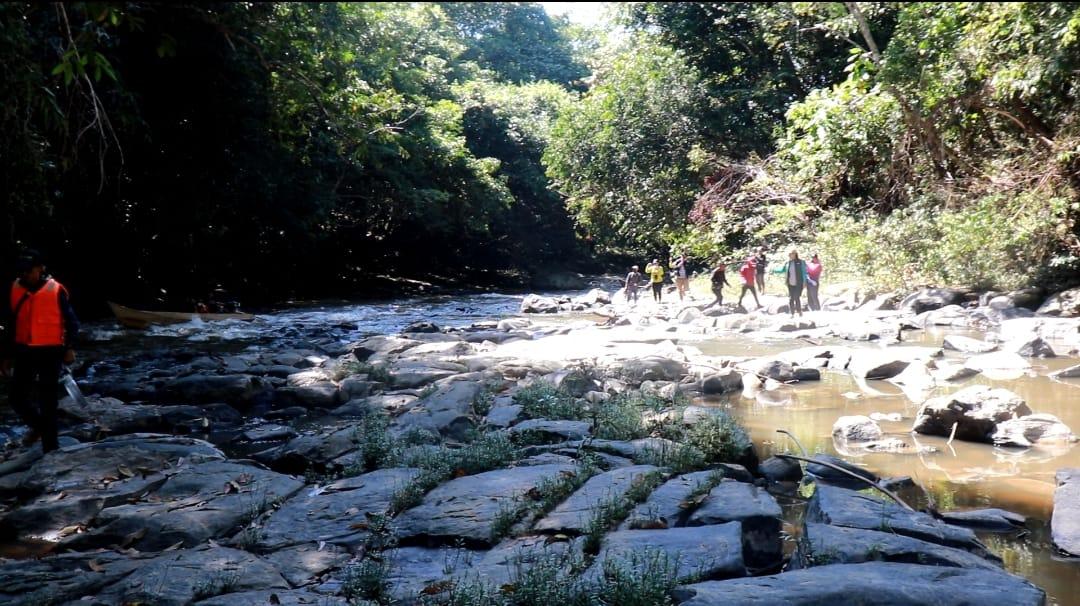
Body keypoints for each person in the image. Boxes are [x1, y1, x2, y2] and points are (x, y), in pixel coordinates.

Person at [1, 250, 79, 452]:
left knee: (48, 402)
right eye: (22, 271)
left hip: (50, 352)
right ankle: (39, 427)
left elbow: (72, 323)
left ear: (40, 268)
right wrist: (6, 356)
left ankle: (50, 450)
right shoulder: (15, 289)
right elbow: (10, 325)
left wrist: (69, 347)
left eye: (30, 270)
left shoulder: (56, 290)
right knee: (16, 398)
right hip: (24, 351)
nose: (26, 275)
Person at [771, 249, 813, 317]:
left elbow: (804, 272)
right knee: (791, 298)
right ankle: (792, 313)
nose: (789, 256)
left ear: (795, 254)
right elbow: (782, 270)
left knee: (797, 297)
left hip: (799, 283)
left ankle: (799, 311)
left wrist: (804, 282)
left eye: (790, 254)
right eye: (789, 254)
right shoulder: (788, 263)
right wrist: (774, 270)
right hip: (790, 283)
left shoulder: (801, 262)